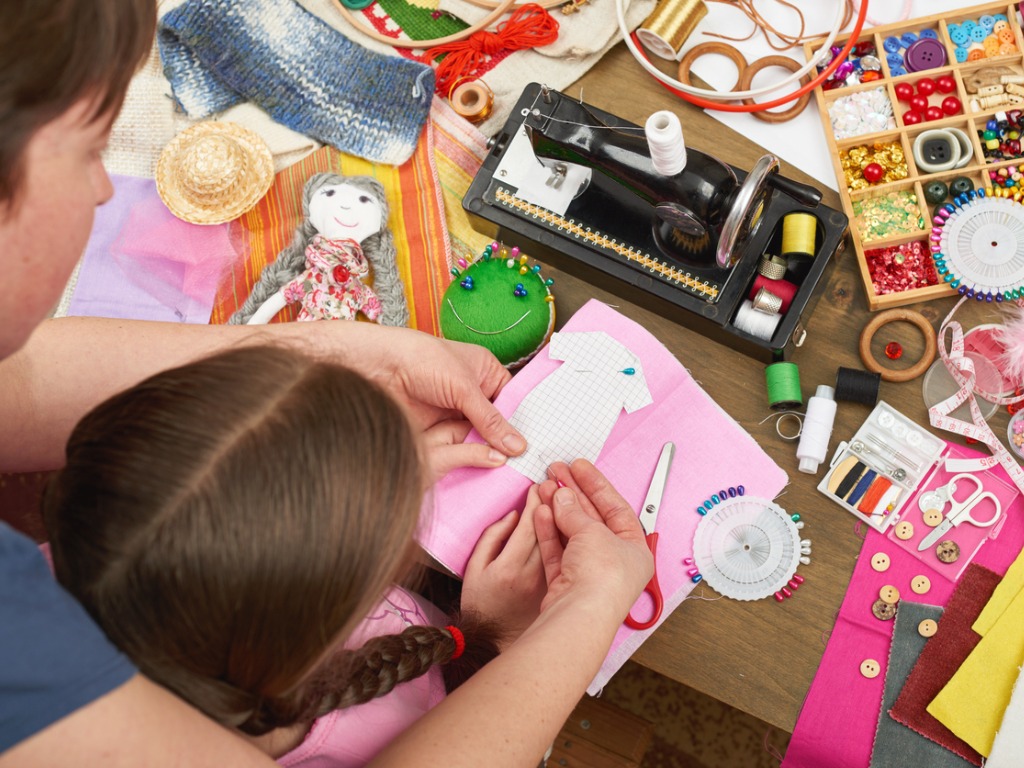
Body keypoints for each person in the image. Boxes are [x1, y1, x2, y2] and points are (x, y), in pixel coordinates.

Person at [0, 0, 653, 765]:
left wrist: (324, 365)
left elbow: (23, 384)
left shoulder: (118, 581)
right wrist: (568, 620)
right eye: (87, 148)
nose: (107, 189)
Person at [43, 345, 550, 766]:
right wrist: (504, 642)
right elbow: (501, 735)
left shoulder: (101, 555)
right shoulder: (369, 739)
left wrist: (373, 478)